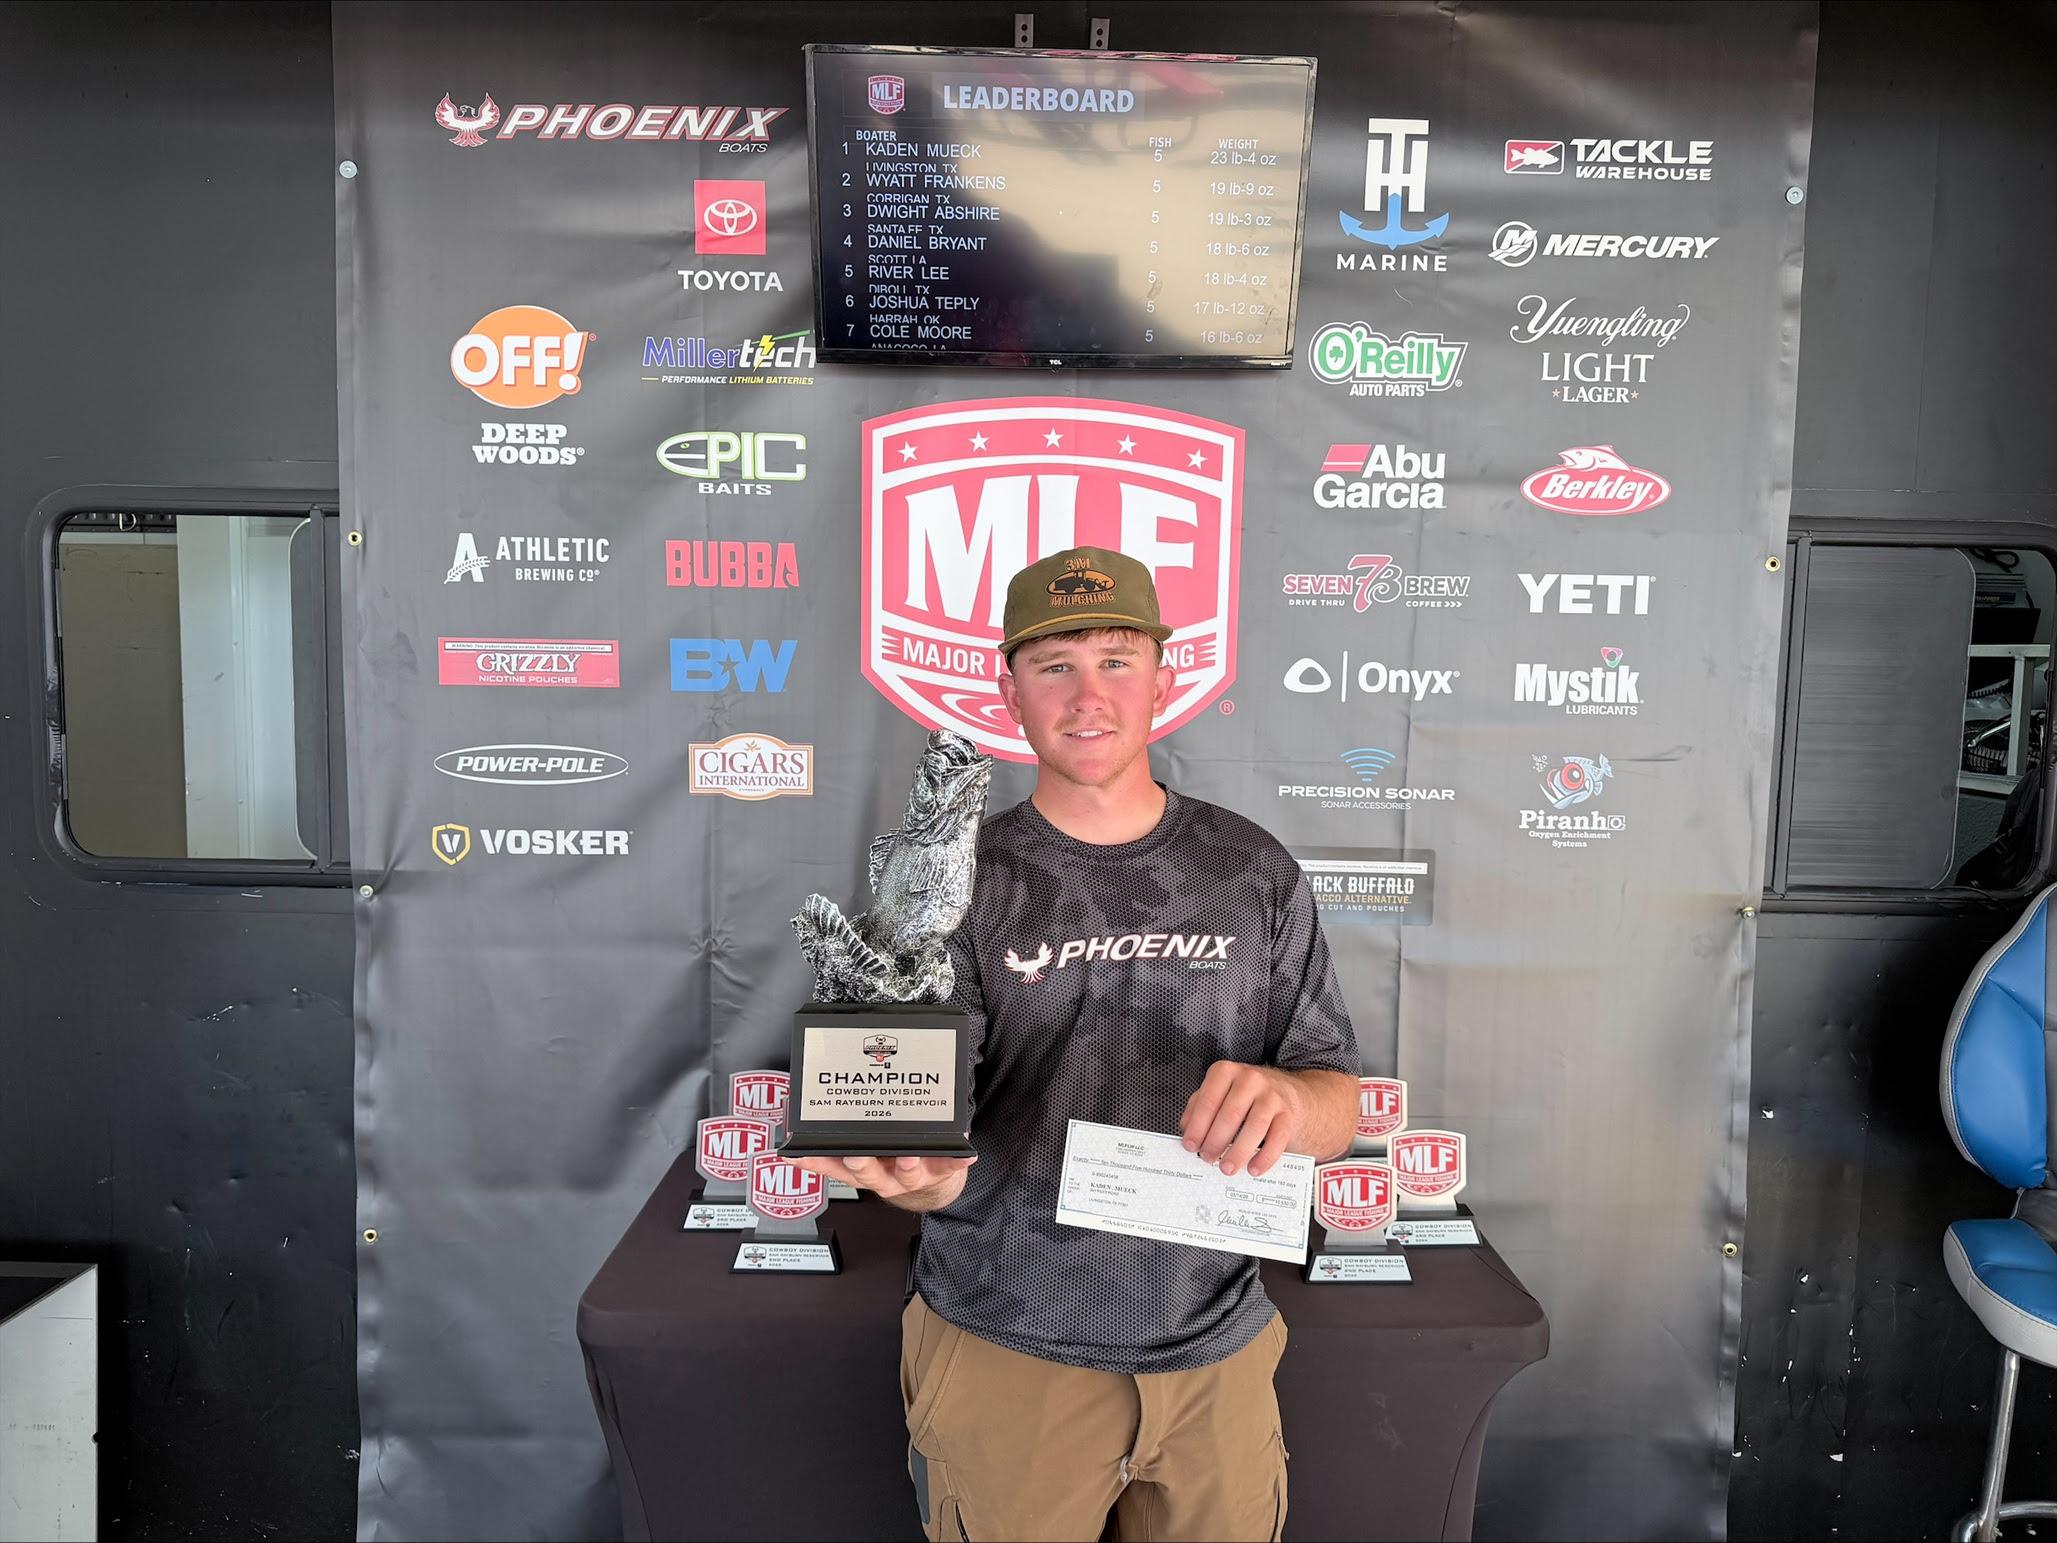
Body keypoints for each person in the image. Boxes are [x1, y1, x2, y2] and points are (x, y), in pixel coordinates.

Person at [792, 545, 1360, 1542]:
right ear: (1007, 689)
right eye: (1054, 664)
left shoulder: (1251, 868)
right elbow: (922, 1129)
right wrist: (911, 1175)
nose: (1087, 695)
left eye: (1115, 660)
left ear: (1163, 679)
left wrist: (1292, 1101)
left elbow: (1336, 1098)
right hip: (1005, 1347)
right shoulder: (954, 880)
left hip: (1214, 1354)